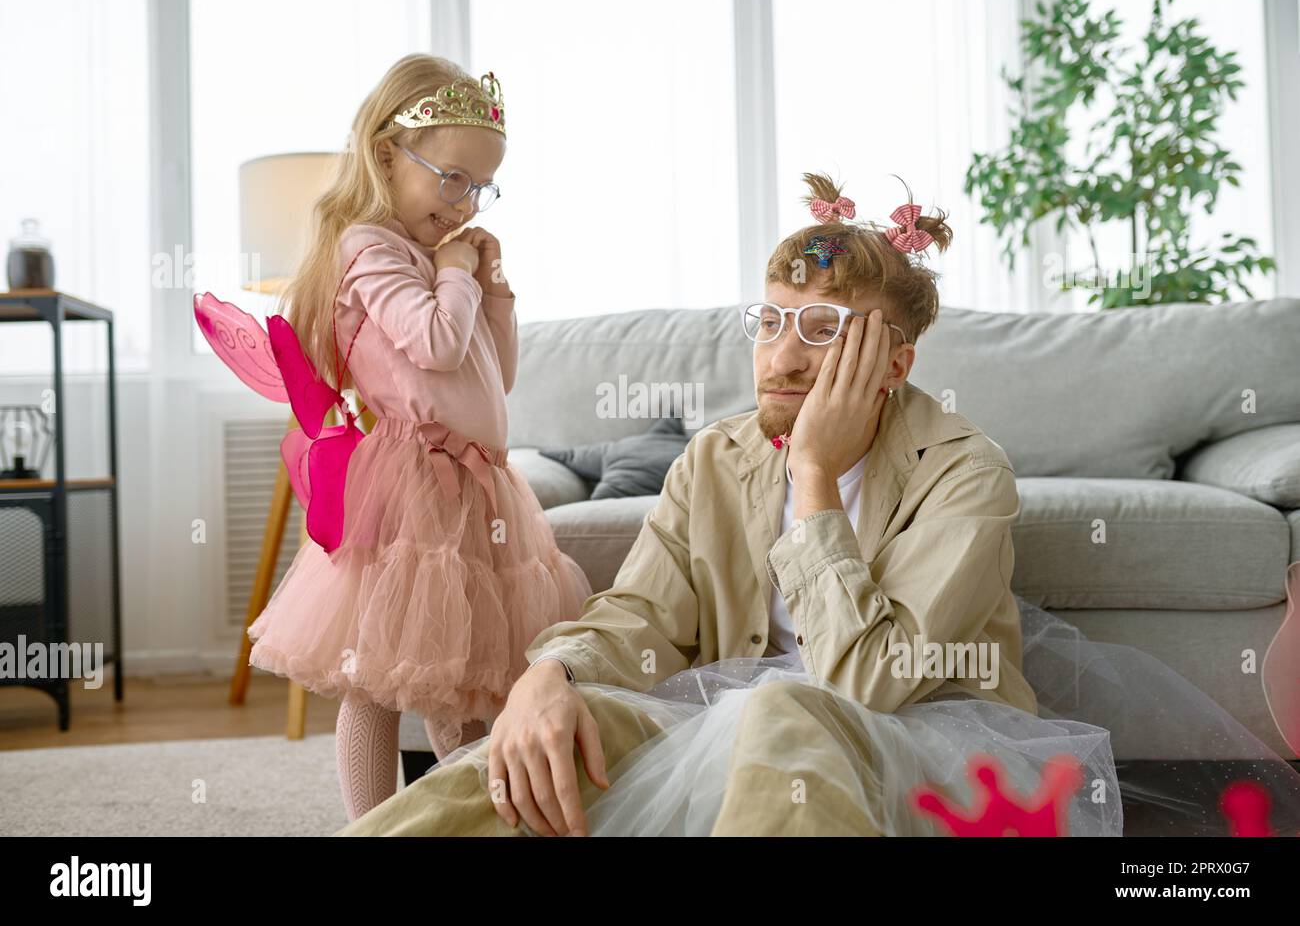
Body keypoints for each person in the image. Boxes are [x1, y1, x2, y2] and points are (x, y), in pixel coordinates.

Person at [337, 172, 1300, 837]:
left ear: (893, 361)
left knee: (786, 710)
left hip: (924, 742)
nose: (784, 355)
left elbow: (870, 682)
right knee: (526, 748)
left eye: (824, 331)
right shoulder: (712, 460)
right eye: (770, 323)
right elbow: (638, 620)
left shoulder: (965, 472)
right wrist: (550, 674)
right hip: (723, 724)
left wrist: (811, 482)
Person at [244, 54, 590, 821]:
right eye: (453, 178)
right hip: (411, 484)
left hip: (480, 485)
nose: (467, 203)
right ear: (386, 155)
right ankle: (370, 825)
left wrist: (492, 288)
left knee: (469, 674)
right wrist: (457, 271)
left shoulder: (437, 258)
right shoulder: (370, 248)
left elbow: (494, 373)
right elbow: (431, 344)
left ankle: (461, 817)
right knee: (378, 676)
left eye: (482, 186)